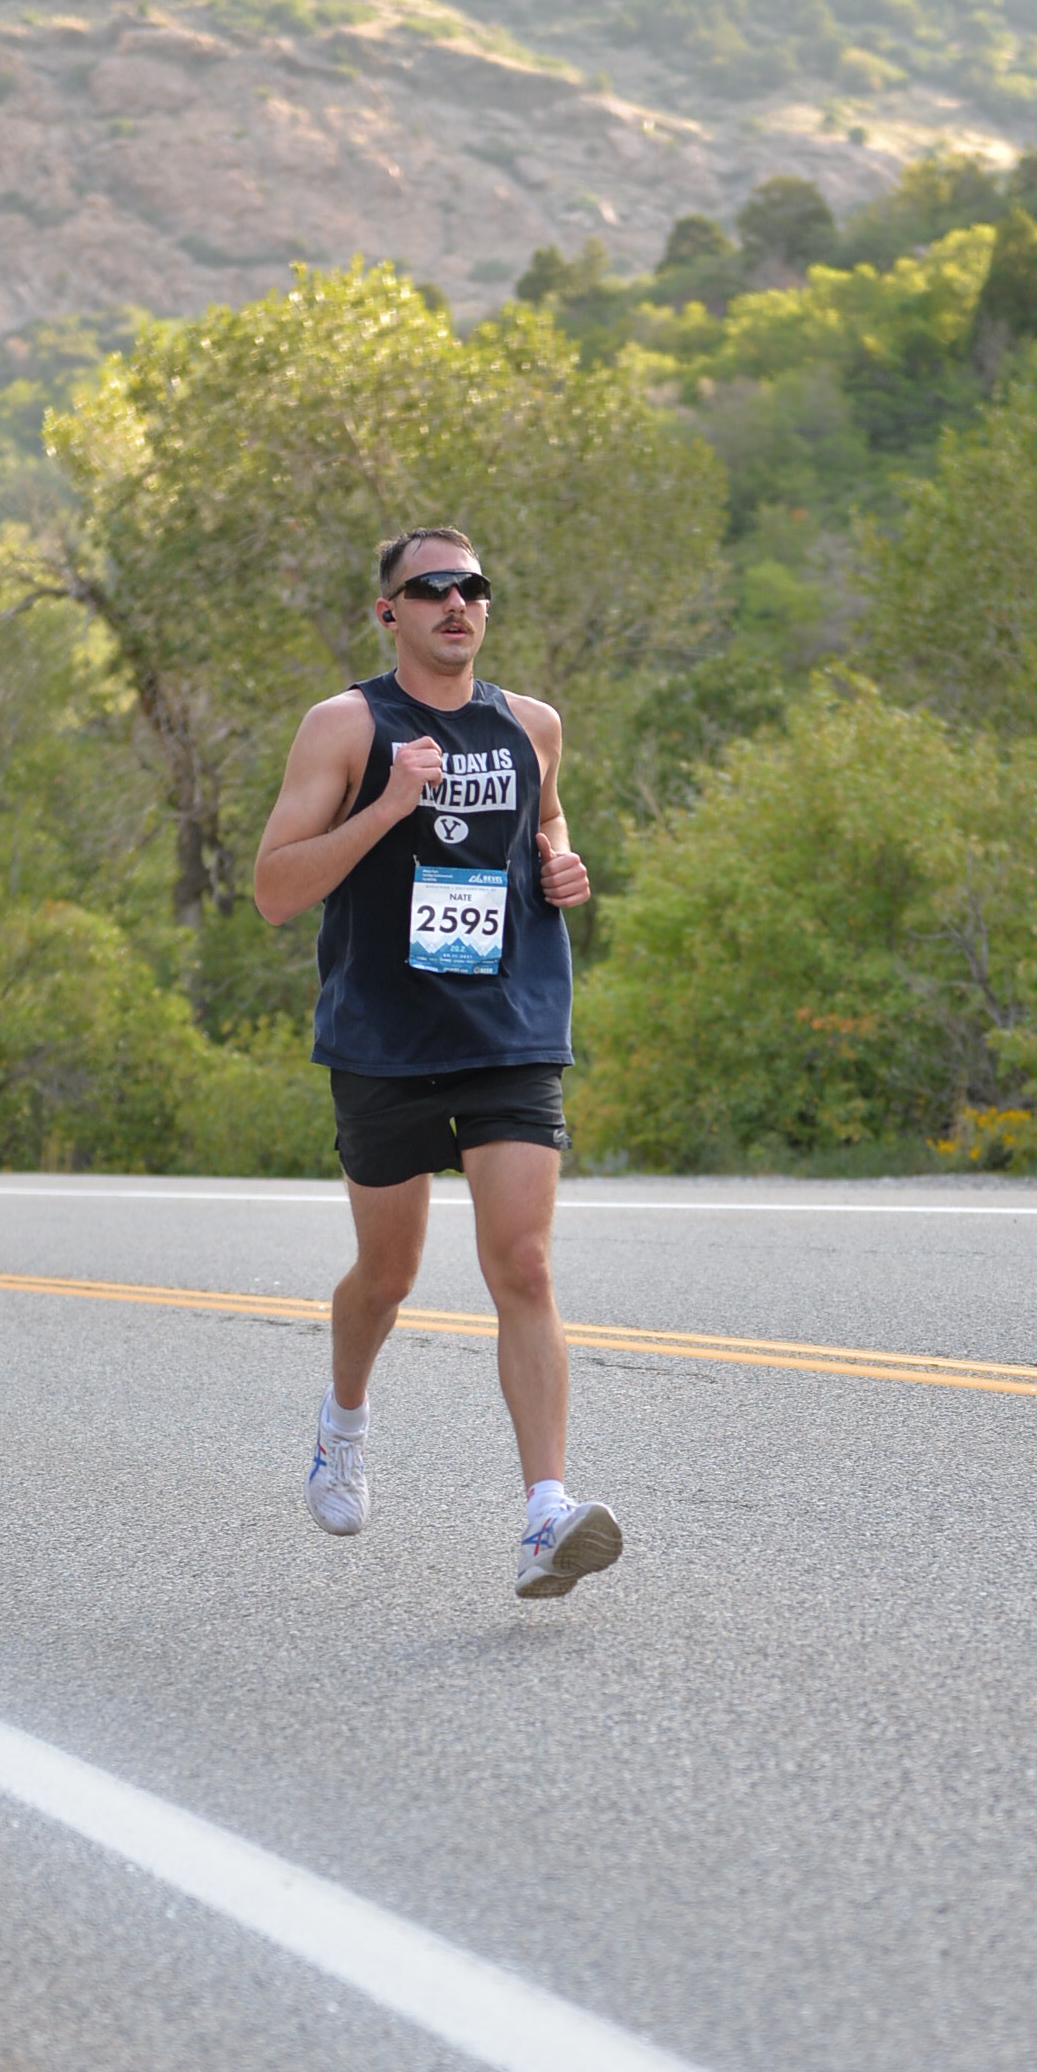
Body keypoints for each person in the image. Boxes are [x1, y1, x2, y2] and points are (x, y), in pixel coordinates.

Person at [252, 526, 623, 1601]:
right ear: (390, 612)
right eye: (431, 589)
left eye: (473, 587)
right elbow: (275, 891)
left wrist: (561, 862)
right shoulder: (346, 726)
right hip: (385, 1037)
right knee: (388, 1276)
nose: (456, 603)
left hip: (509, 1026)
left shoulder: (531, 725)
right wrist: (388, 806)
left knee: (526, 1265)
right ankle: (342, 1426)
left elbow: (548, 821)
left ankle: (546, 1514)